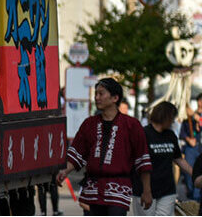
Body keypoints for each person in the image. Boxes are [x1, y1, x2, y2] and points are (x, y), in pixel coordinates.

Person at [57, 77, 153, 215]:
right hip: (93, 189)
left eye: (101, 94)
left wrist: (147, 190)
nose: (97, 97)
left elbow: (142, 159)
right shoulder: (89, 124)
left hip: (118, 189)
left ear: (115, 98)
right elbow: (77, 154)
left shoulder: (132, 125)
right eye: (96, 94)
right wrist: (64, 171)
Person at [131, 101, 193, 216]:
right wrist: (146, 191)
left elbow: (178, 159)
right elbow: (139, 163)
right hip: (144, 189)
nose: (173, 121)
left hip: (167, 189)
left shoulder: (170, 135)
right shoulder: (143, 134)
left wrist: (194, 173)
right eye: (172, 118)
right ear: (166, 116)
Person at [181, 93, 202, 201]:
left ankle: (197, 198)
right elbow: (182, 132)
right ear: (199, 102)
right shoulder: (188, 116)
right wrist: (188, 139)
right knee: (189, 173)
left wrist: (193, 115)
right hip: (191, 149)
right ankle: (191, 194)